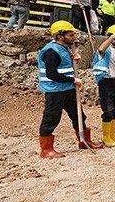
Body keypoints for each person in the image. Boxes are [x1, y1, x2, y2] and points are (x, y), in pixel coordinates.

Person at [37, 20, 104, 158]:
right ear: (60, 36)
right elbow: (52, 74)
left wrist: (73, 59)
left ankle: (84, 140)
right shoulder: (51, 52)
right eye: (71, 35)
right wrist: (73, 80)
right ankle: (46, 149)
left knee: (78, 114)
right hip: (55, 90)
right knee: (51, 118)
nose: (74, 38)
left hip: (68, 89)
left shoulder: (65, 48)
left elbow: (65, 66)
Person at [92, 24, 115, 147]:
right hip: (107, 82)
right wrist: (112, 36)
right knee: (108, 110)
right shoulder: (106, 50)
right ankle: (106, 137)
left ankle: (112, 135)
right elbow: (101, 49)